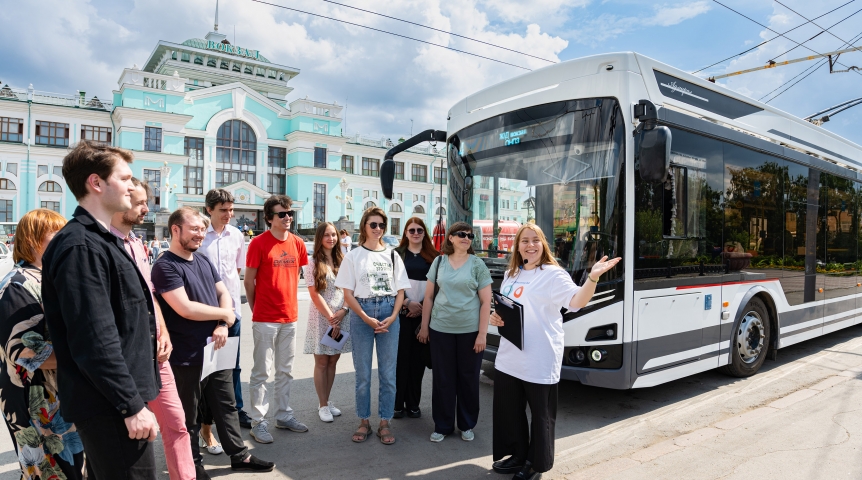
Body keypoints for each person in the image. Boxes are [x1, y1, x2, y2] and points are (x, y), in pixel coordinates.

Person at [42, 140, 161, 479]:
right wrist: (131, 406)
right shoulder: (81, 245)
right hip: (110, 406)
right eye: (124, 178)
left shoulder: (101, 240)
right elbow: (94, 339)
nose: (132, 187)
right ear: (96, 182)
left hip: (114, 401)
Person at [489, 224, 621, 480]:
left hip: (539, 357)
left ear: (543, 244)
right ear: (517, 246)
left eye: (535, 240)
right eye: (525, 241)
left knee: (541, 415)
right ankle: (518, 454)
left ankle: (535, 463)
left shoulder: (553, 274)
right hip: (509, 356)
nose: (530, 245)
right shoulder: (511, 274)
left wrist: (592, 278)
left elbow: (577, 302)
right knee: (510, 410)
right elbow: (508, 308)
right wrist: (496, 317)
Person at [152, 207, 274, 475]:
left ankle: (239, 455)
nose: (200, 234)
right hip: (186, 354)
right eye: (194, 229)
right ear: (175, 229)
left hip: (217, 346)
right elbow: (185, 308)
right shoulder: (165, 266)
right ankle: (193, 466)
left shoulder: (202, 260)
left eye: (201, 229)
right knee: (189, 414)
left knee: (226, 404)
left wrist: (222, 323)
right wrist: (225, 315)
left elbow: (224, 292)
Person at [110, 179, 197, 480]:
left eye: (147, 202)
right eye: (140, 202)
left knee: (176, 422)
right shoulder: (103, 245)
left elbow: (149, 295)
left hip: (155, 354)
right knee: (124, 437)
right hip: (124, 356)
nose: (147, 208)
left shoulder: (136, 242)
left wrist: (163, 332)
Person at [0, 209, 81, 480]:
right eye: (56, 235)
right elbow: (24, 352)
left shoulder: (50, 278)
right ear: (32, 240)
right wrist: (85, 356)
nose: (65, 240)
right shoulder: (18, 285)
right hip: (35, 399)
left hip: (60, 394)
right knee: (48, 472)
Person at [334, 207, 410, 445]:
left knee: (388, 373)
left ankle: (385, 422)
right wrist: (365, 317)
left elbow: (400, 291)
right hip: (361, 313)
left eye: (381, 225)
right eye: (373, 224)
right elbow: (348, 294)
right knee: (363, 374)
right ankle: (364, 421)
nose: (378, 229)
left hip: (389, 312)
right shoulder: (353, 256)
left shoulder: (393, 255)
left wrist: (394, 316)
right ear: (364, 227)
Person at [418, 222, 492, 443]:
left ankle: (467, 425)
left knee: (468, 379)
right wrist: (424, 326)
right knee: (443, 379)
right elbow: (428, 297)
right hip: (440, 329)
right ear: (450, 237)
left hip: (470, 332)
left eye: (470, 235)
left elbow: (486, 302)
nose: (466, 238)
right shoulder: (439, 262)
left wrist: (482, 334)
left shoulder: (478, 264)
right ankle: (443, 425)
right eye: (461, 234)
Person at [244, 195, 309, 444]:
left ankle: (283, 415)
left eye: (290, 213)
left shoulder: (298, 243)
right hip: (265, 319)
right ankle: (258, 422)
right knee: (262, 372)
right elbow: (249, 281)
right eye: (282, 214)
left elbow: (299, 276)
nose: (287, 217)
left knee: (285, 371)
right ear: (269, 218)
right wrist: (256, 310)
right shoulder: (258, 243)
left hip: (290, 317)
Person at [198, 189, 252, 456]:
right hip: (204, 314)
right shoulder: (199, 235)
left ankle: (234, 412)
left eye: (231, 209)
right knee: (205, 373)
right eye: (223, 210)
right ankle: (203, 426)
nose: (229, 214)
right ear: (209, 210)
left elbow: (235, 272)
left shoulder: (237, 235)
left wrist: (229, 310)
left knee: (232, 368)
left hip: (232, 314)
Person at [303, 222, 350, 423]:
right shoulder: (312, 262)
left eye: (334, 235)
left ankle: (327, 400)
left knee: (333, 361)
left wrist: (343, 311)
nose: (331, 238)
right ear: (320, 238)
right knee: (322, 362)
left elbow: (350, 290)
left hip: (341, 317)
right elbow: (314, 294)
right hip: (322, 318)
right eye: (327, 235)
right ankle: (322, 405)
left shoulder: (344, 260)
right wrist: (331, 317)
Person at [393, 217, 438, 419]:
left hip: (424, 316)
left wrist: (421, 309)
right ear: (406, 233)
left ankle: (413, 404)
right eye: (412, 230)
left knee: (418, 362)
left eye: (420, 230)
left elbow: (438, 287)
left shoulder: (434, 257)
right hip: (402, 315)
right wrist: (406, 303)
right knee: (400, 360)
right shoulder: (396, 255)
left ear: (424, 233)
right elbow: (390, 284)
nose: (416, 233)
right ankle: (397, 404)